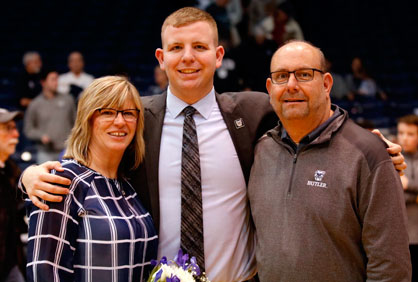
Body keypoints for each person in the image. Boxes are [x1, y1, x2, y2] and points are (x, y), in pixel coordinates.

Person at [18, 8, 406, 282]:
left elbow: (308, 108)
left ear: (218, 55)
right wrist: (29, 176)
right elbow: (89, 162)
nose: (188, 57)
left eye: (200, 47)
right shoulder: (137, 118)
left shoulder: (253, 111)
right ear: (162, 56)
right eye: (176, 48)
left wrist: (369, 145)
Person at [248, 40, 411, 281]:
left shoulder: (369, 154)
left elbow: (391, 267)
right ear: (270, 88)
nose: (291, 85)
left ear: (326, 84)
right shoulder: (260, 151)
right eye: (282, 76)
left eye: (304, 74)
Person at [25, 76, 158, 281]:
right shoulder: (64, 181)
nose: (120, 121)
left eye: (128, 113)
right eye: (107, 112)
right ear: (87, 119)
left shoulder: (129, 185)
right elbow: (44, 272)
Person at [24, 68, 76, 163]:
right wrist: (41, 136)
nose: (56, 83)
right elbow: (28, 129)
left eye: (57, 79)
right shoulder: (35, 104)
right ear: (43, 82)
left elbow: (77, 123)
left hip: (67, 150)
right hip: (45, 152)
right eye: (53, 79)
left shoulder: (68, 100)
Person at [0, 108, 26, 282]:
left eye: (15, 128)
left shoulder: (12, 170)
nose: (16, 134)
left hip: (9, 264)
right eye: (8, 128)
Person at [397, 114, 418, 281]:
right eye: (401, 133)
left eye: (410, 134)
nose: (404, 138)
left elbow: (401, 187)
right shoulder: (390, 158)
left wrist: (407, 185)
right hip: (399, 235)